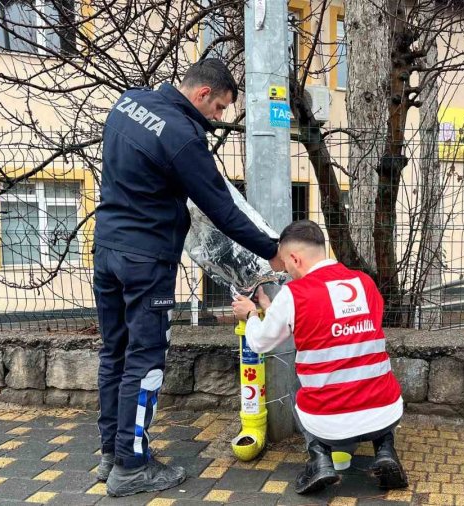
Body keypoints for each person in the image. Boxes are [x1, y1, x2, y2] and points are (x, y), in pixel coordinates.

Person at [92, 58, 284, 497]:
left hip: (107, 250)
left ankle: (111, 455)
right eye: (218, 108)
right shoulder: (181, 135)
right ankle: (132, 466)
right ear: (201, 95)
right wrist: (273, 251)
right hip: (146, 260)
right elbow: (222, 209)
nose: (217, 118)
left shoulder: (128, 103)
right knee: (145, 363)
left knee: (115, 353)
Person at [231, 220, 409, 495]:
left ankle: (320, 459)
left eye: (285, 265)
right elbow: (336, 328)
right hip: (386, 410)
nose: (286, 272)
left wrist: (252, 314)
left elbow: (259, 342)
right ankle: (385, 450)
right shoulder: (364, 283)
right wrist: (273, 307)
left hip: (328, 417)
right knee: (365, 371)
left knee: (295, 384)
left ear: (295, 258)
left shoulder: (294, 293)